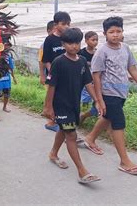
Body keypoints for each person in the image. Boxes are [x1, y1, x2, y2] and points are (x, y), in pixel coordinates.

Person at [83, 16, 137, 175]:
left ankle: (90, 139)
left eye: (118, 31)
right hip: (108, 93)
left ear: (123, 32)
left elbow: (133, 69)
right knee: (118, 122)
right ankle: (124, 161)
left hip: (121, 92)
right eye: (111, 32)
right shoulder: (101, 52)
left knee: (107, 117)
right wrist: (99, 100)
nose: (115, 35)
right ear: (104, 34)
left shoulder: (125, 48)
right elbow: (96, 76)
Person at [42, 28, 101, 184]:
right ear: (63, 44)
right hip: (60, 105)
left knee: (64, 129)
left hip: (74, 104)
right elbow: (52, 86)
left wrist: (96, 99)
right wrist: (48, 107)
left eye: (76, 43)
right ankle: (82, 171)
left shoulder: (82, 61)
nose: (74, 46)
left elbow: (88, 82)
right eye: (70, 43)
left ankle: (53, 154)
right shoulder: (58, 62)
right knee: (71, 135)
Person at [42, 11, 71, 132]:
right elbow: (46, 60)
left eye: (68, 24)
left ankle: (64, 122)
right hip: (55, 74)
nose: (67, 27)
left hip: (68, 74)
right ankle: (51, 121)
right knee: (54, 97)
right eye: (63, 24)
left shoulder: (68, 38)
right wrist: (51, 72)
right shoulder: (49, 40)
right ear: (56, 24)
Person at [79, 31, 99, 124]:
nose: (95, 42)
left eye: (96, 40)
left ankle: (90, 113)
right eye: (93, 40)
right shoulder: (82, 52)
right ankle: (83, 112)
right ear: (86, 41)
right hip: (85, 79)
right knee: (86, 97)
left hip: (96, 79)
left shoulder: (98, 52)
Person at [0, 44, 17, 113]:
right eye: (6, 45)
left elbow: (11, 67)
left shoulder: (8, 57)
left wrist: (14, 78)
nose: (8, 47)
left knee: (7, 94)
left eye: (9, 46)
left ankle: (4, 107)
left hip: (7, 79)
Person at [39, 21, 55, 85]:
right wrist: (42, 75)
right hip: (50, 73)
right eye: (55, 30)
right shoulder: (44, 45)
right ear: (49, 31)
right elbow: (41, 61)